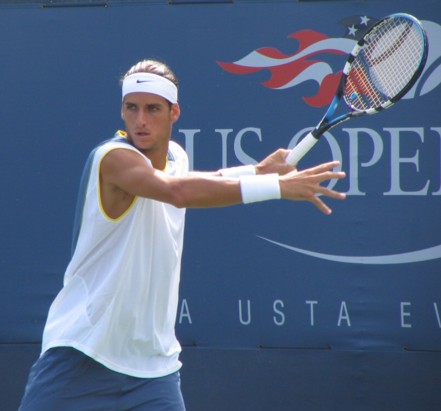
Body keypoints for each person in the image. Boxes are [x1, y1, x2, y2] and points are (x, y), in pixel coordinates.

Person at [18, 59, 346, 411]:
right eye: (132, 108)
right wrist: (275, 185)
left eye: (153, 109)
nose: (141, 120)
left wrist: (256, 169)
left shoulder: (176, 155)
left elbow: (198, 179)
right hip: (83, 353)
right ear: (122, 111)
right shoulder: (113, 159)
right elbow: (176, 191)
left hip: (154, 369)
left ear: (174, 112)